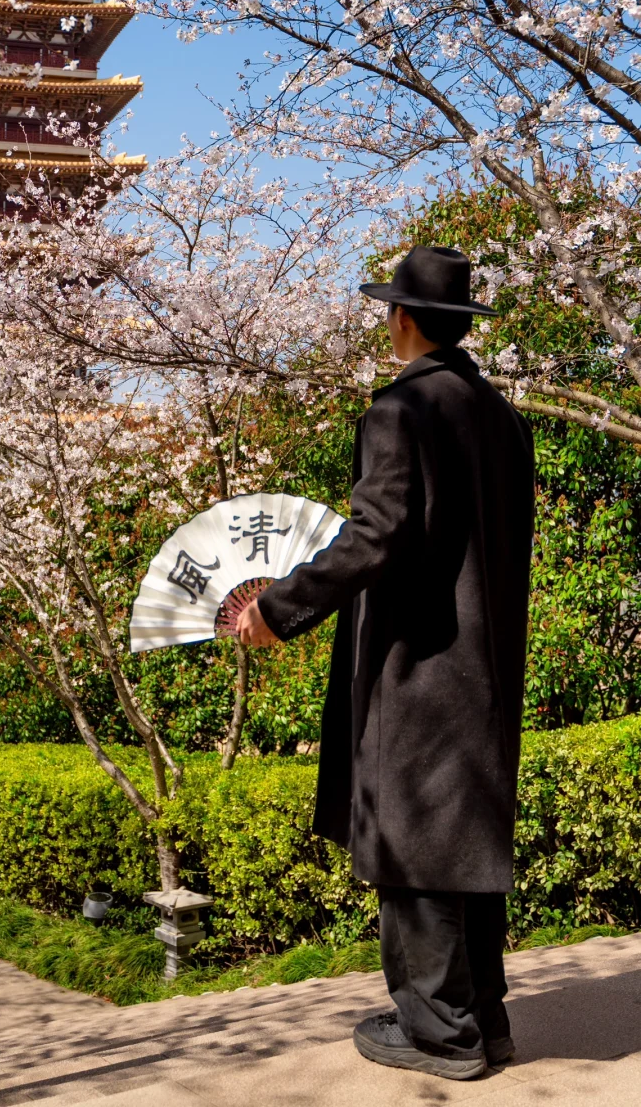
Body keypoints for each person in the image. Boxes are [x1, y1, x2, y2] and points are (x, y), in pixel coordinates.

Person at [236, 245, 535, 1083]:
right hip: (485, 664)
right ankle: (483, 1018)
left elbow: (375, 534)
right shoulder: (503, 418)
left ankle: (441, 1032)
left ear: (401, 320)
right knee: (464, 835)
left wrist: (277, 607)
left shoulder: (403, 413)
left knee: (417, 837)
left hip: (419, 662)